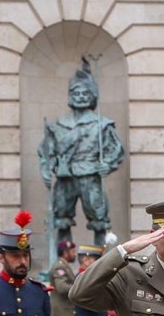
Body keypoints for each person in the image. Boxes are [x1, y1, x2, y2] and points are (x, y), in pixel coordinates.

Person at [37, 58, 125, 245]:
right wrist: (47, 167)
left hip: (90, 174)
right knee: (62, 218)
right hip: (64, 175)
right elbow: (47, 150)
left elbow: (116, 148)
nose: (81, 96)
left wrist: (107, 164)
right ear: (70, 96)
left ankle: (102, 265)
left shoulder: (101, 124)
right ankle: (62, 266)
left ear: (92, 97)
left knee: (98, 218)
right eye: (76, 92)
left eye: (86, 93)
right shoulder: (58, 124)